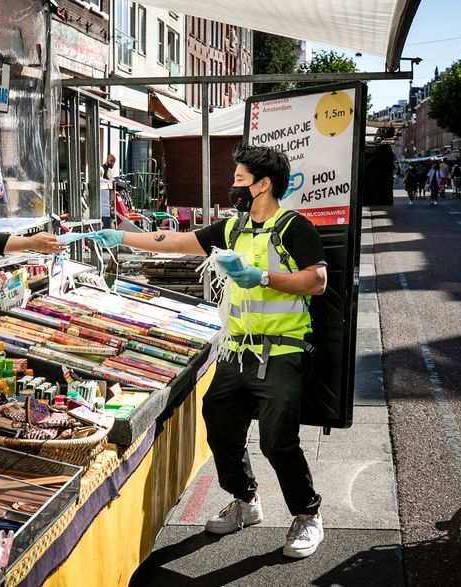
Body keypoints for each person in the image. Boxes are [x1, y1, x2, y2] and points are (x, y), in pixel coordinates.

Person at [90, 144, 327, 559]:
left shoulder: (294, 227)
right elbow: (179, 241)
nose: (231, 187)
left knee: (276, 440)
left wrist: (262, 278)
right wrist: (122, 235)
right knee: (219, 425)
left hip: (285, 348)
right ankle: (246, 501)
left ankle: (308, 514)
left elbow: (317, 282)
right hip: (237, 351)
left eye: (238, 180)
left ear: (263, 184)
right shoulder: (232, 227)